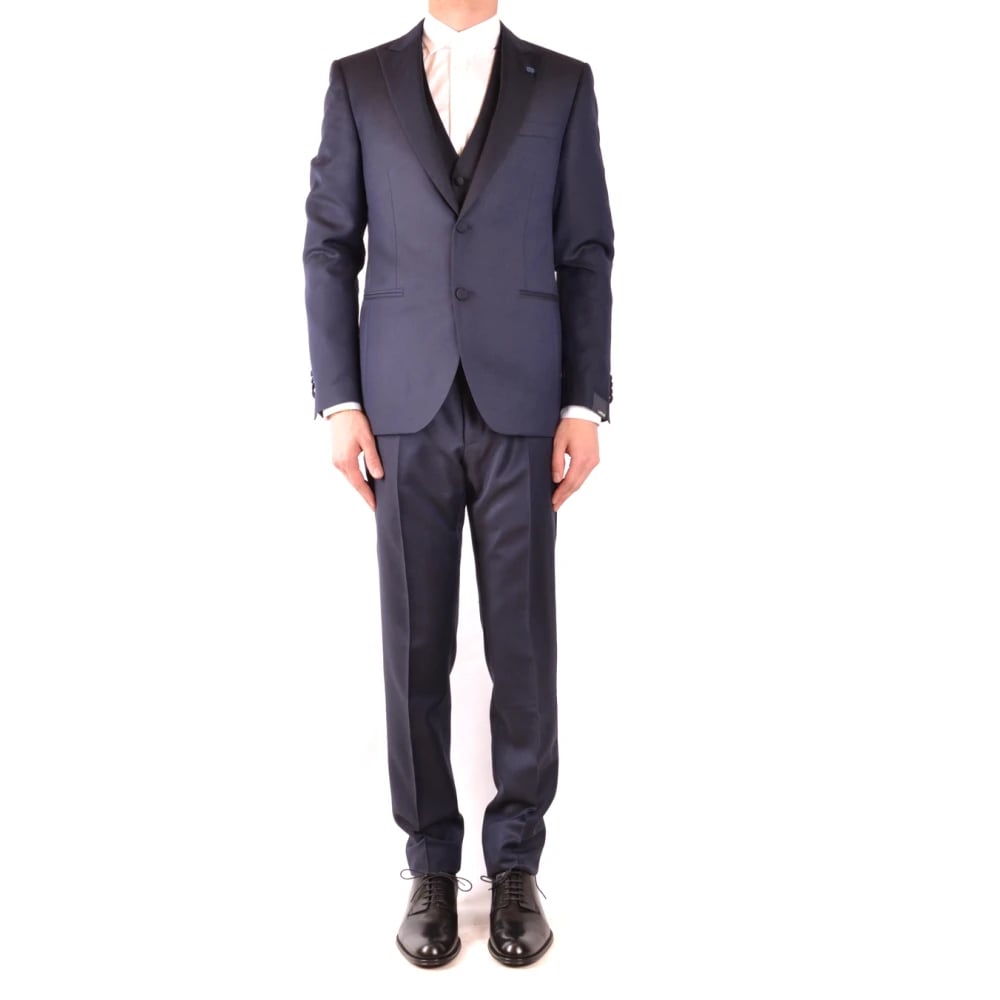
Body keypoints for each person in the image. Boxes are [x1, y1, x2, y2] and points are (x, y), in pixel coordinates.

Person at [303, 0, 614, 968]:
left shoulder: (562, 84)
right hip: (401, 403)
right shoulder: (360, 81)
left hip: (524, 403)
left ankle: (516, 862)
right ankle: (431, 864)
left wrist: (585, 402)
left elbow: (585, 252)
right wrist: (338, 400)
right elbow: (330, 245)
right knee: (414, 644)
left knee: (523, 641)